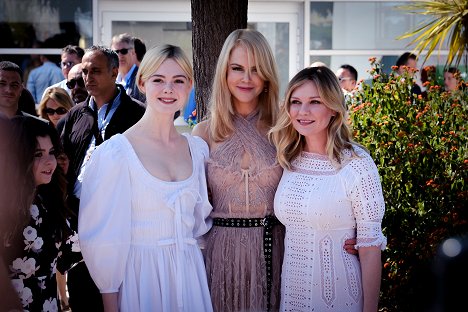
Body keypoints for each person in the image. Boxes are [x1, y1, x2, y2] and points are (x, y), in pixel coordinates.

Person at [78, 44, 213, 311]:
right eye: (158, 80)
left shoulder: (197, 150)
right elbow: (103, 239)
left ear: (190, 86)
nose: (168, 89)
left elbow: (200, 229)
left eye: (178, 81)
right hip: (142, 279)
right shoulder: (116, 154)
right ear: (141, 82)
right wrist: (111, 304)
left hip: (191, 277)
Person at [269, 66, 387, 311]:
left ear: (333, 108)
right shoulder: (288, 159)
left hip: (340, 297)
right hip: (292, 297)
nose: (303, 111)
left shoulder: (357, 164)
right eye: (296, 102)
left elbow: (370, 248)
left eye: (314, 102)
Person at [192, 28, 284, 311]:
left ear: (267, 75)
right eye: (237, 68)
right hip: (220, 254)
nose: (246, 78)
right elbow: (191, 205)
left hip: (276, 250)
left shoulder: (285, 127)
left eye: (256, 69)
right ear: (224, 73)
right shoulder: (204, 132)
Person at [59, 45, 145, 312]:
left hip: (121, 221)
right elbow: (63, 162)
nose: (88, 78)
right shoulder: (75, 115)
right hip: (79, 219)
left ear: (115, 72)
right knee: (84, 293)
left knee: (120, 297)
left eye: (95, 71)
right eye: (85, 71)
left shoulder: (138, 114)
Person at [7, 116, 75, 311]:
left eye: (52, 152)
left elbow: (68, 250)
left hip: (48, 305)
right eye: (38, 154)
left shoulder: (48, 198)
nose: (49, 161)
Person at [111, 33, 146, 103]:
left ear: (133, 52)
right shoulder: (112, 78)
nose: (120, 55)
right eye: (116, 52)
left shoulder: (142, 78)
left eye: (124, 51)